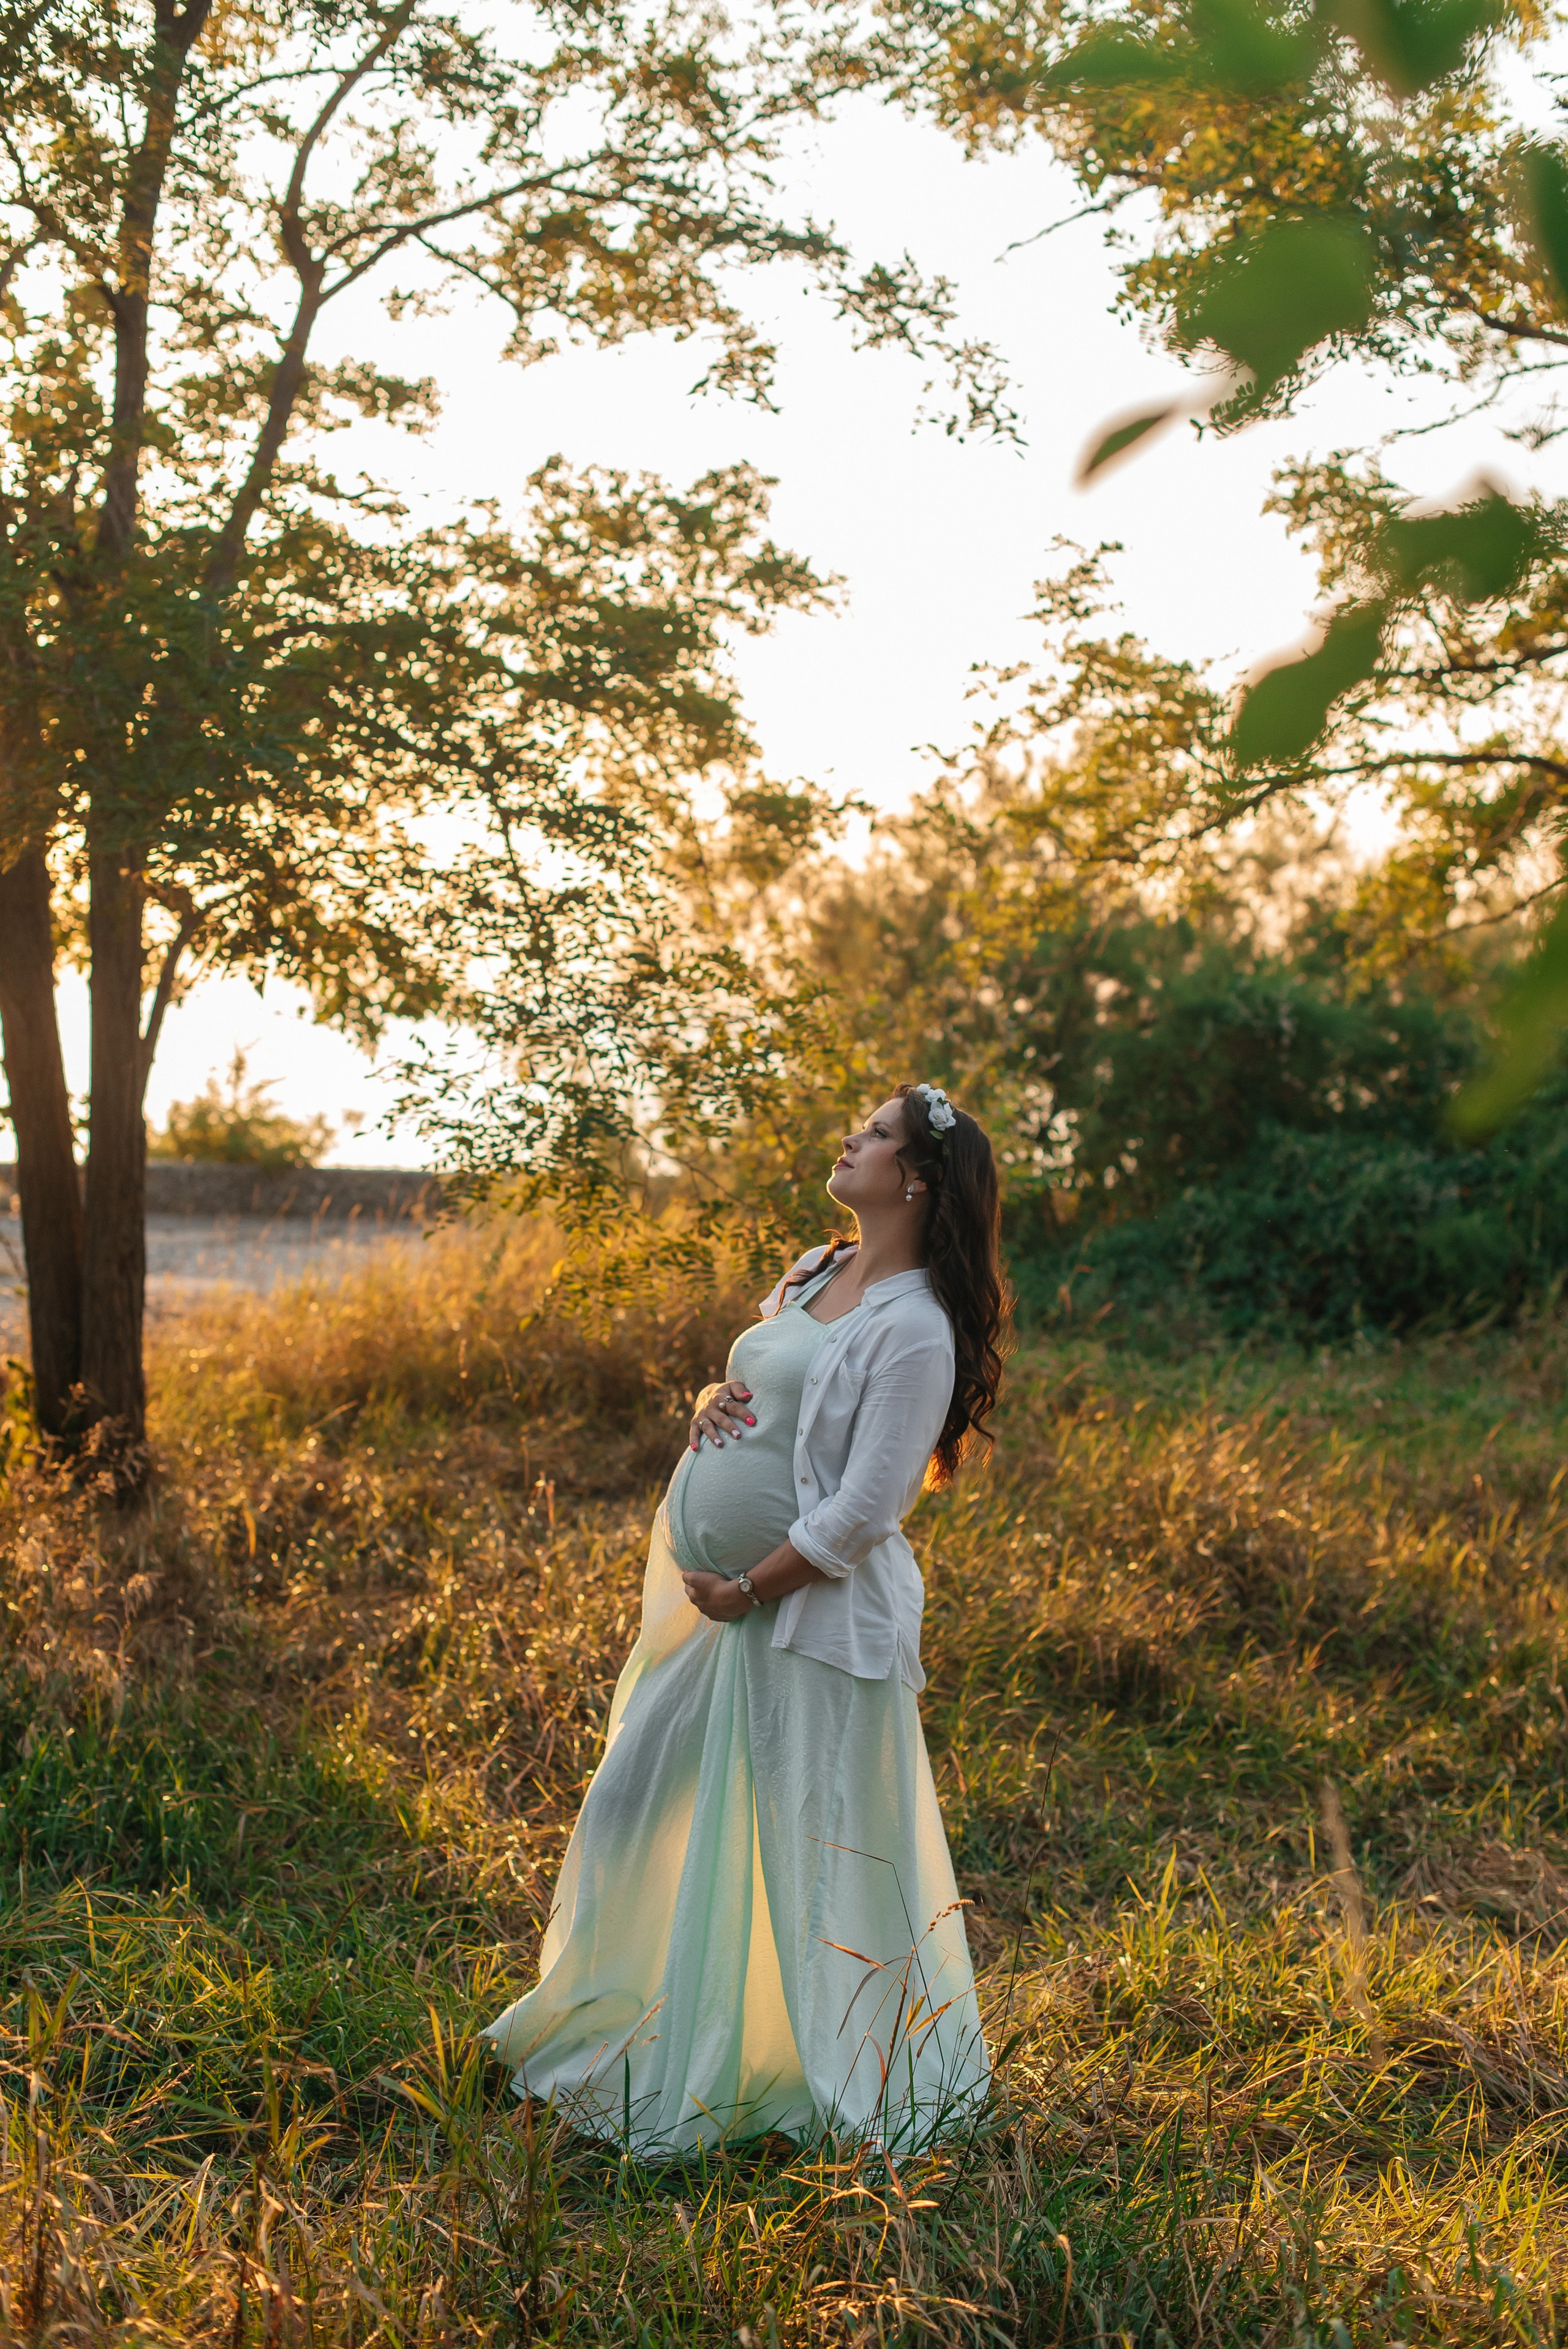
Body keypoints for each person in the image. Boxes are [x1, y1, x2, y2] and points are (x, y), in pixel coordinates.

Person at [483, 1082, 1009, 2154]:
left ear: (913, 1178)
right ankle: (631, 2025)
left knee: (806, 1852)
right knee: (636, 1803)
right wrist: (702, 1407)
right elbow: (762, 1396)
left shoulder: (916, 1326)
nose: (849, 1141)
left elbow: (868, 1507)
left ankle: (809, 2073)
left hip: (799, 1624)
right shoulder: (818, 1270)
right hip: (716, 1619)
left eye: (871, 1137)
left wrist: (752, 1586)